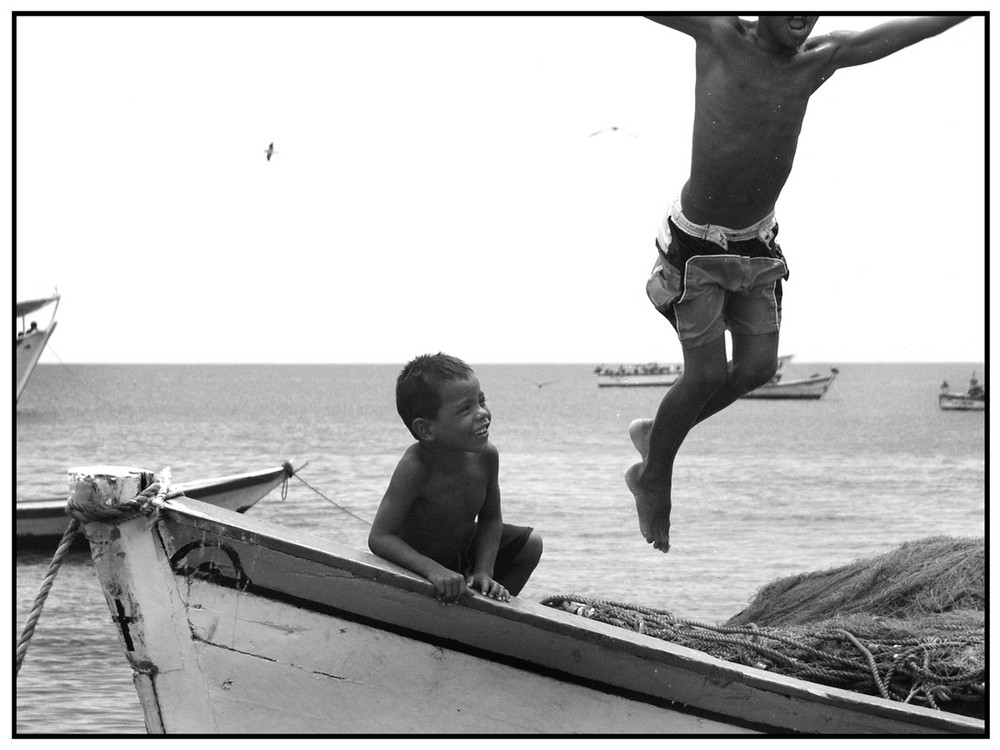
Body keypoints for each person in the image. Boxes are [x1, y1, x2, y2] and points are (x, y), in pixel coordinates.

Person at [626, 15, 971, 554]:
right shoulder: (719, 34)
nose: (802, 14)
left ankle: (658, 436)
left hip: (757, 243)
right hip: (697, 244)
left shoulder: (819, 58)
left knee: (759, 369)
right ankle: (654, 476)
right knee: (706, 373)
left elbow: (907, 32)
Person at [369, 353, 542, 603]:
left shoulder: (486, 455)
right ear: (426, 429)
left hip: (460, 553)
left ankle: (491, 609)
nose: (482, 413)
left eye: (481, 401)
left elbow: (490, 518)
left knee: (531, 544)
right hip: (417, 564)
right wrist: (433, 570)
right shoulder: (416, 467)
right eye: (465, 409)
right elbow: (380, 537)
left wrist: (484, 570)